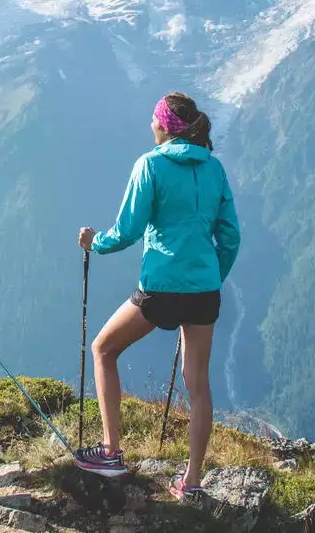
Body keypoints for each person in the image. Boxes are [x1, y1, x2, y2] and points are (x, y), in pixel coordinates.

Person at [73, 92, 240, 500]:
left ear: (165, 126)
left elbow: (129, 229)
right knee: (198, 386)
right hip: (204, 291)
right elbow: (230, 237)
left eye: (154, 120)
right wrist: (211, 276)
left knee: (103, 349)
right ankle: (193, 483)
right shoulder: (214, 169)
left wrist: (95, 243)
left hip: (161, 287)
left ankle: (111, 452)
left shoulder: (151, 164)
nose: (151, 126)